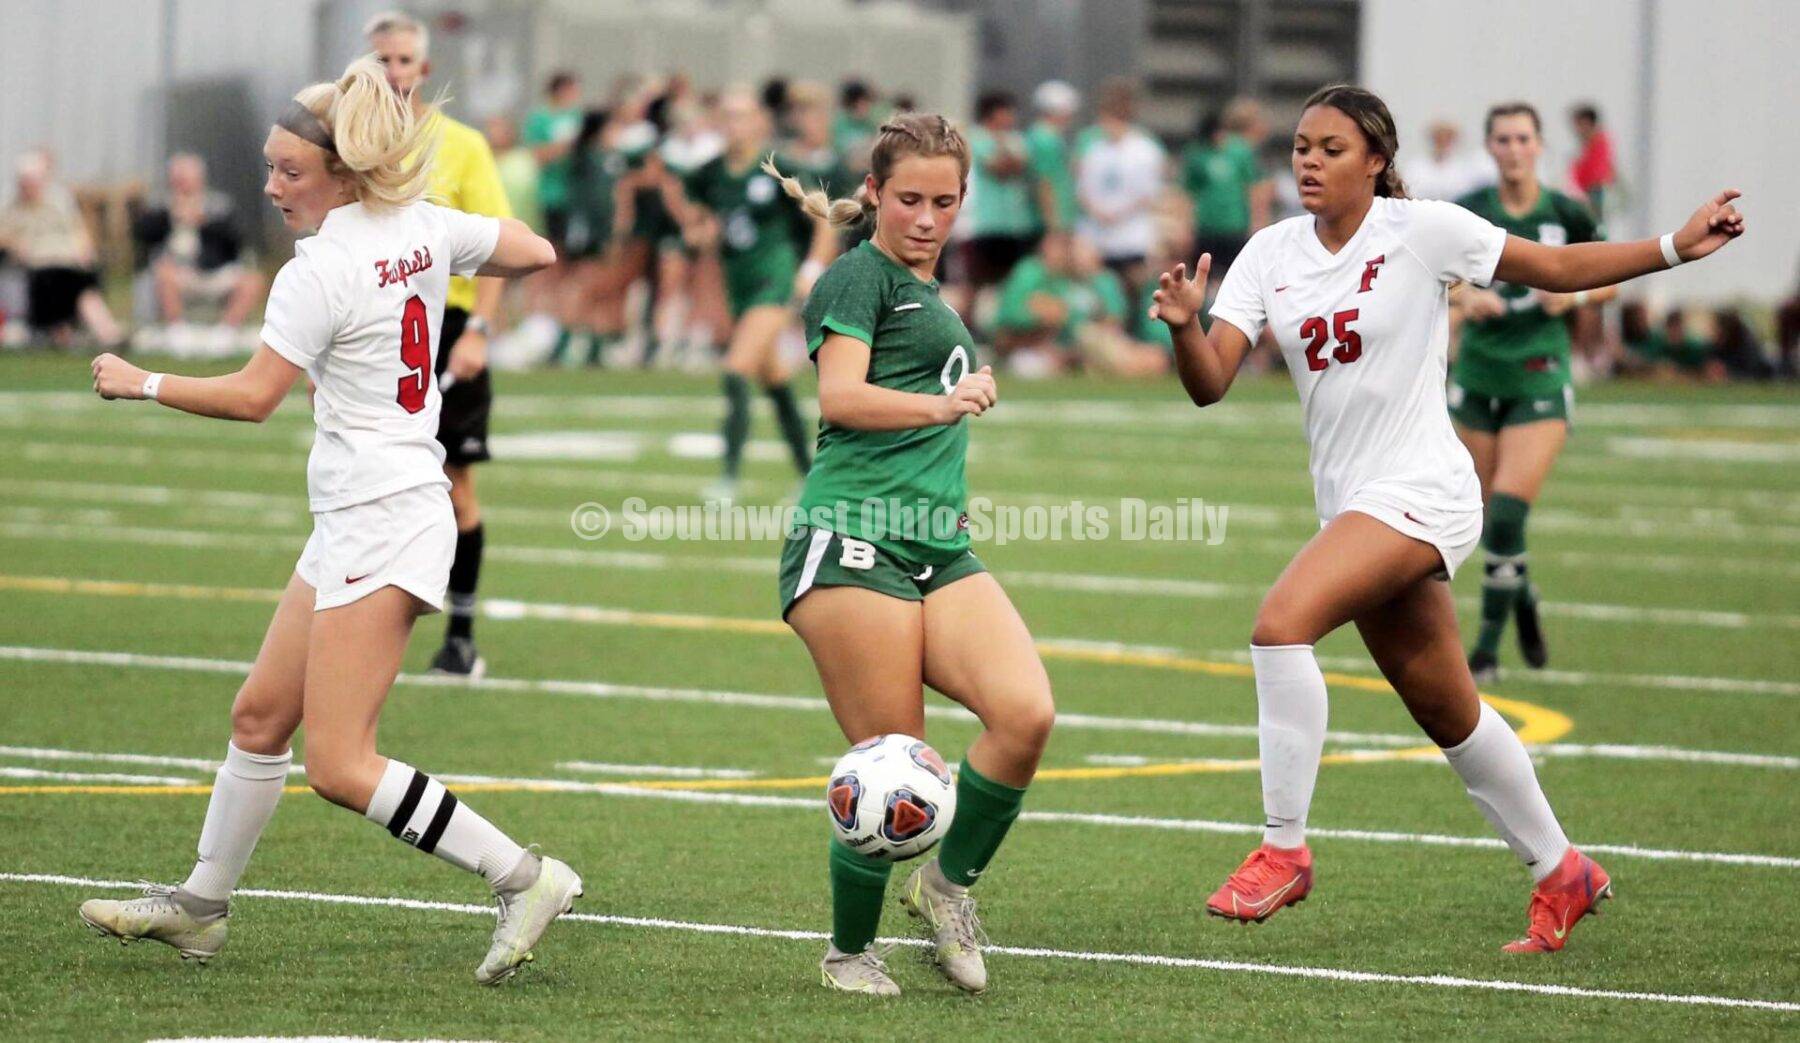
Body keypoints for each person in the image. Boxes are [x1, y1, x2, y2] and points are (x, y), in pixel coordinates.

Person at [1149, 83, 1742, 953]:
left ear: (1376, 161)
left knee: (1280, 626)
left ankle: (1284, 849)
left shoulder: (1422, 229)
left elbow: (1555, 269)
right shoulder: (1269, 251)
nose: (1309, 161)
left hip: (1425, 489)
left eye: (1332, 149)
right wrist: (1182, 327)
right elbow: (1210, 383)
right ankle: (1563, 869)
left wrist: (1673, 249)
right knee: (1448, 709)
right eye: (1302, 146)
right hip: (1355, 505)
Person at [80, 55, 578, 985]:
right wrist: (449, 245)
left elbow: (253, 396)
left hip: (382, 514)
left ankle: (525, 875)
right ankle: (201, 907)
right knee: (259, 715)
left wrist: (141, 380)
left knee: (342, 765)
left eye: (291, 171)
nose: (273, 186)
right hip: (369, 509)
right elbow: (536, 251)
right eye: (268, 167)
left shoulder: (322, 268)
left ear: (346, 174)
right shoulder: (420, 225)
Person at [768, 114, 1055, 997]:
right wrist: (945, 403)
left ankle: (945, 890)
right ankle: (848, 952)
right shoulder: (858, 276)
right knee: (894, 769)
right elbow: (841, 397)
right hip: (852, 537)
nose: (926, 218)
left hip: (937, 544)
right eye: (908, 199)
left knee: (1025, 714)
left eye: (944, 201)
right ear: (876, 193)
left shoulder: (929, 288)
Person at [366, 11, 515, 679]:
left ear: (424, 69)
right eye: (382, 60)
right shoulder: (354, 144)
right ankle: (366, 627)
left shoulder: (462, 146)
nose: (393, 72)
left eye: (404, 60)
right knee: (371, 484)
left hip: (446, 328)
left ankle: (460, 637)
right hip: (378, 328)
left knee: (455, 487)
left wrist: (479, 330)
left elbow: (499, 242)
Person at [1448, 102, 1613, 684]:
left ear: (1540, 145)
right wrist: (1465, 298)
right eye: (1503, 139)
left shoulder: (1567, 211)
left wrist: (1576, 296)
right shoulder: (1468, 210)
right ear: (1490, 147)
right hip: (1477, 376)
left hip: (1539, 376)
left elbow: (1610, 277)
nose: (1514, 149)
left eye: (1523, 138)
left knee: (1509, 511)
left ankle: (1486, 653)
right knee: (1486, 520)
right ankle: (1520, 593)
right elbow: (1432, 278)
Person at [658, 88, 831, 502]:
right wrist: (698, 233)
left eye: (742, 115)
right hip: (737, 283)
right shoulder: (709, 173)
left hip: (774, 278)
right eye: (727, 115)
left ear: (759, 122)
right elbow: (697, 220)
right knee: (774, 380)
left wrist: (811, 268)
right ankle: (812, 478)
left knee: (736, 368)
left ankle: (728, 480)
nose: (734, 124)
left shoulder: (779, 167)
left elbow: (824, 217)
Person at [134, 153, 265, 353]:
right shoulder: (161, 206)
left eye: (186, 179)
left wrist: (203, 222)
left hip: (213, 271)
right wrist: (171, 217)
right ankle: (178, 333)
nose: (183, 184)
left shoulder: (218, 205)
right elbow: (143, 235)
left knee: (252, 280)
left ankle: (225, 334)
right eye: (178, 179)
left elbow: (236, 241)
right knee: (164, 272)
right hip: (179, 274)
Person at [992, 229, 1166, 377]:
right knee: (1029, 366)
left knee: (1149, 357)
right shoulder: (1031, 271)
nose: (1067, 254)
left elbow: (1112, 320)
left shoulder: (1096, 279)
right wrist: (1041, 316)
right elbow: (1010, 318)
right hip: (1037, 347)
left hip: (1084, 345)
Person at [0, 151, 123, 347]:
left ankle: (108, 334)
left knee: (85, 285)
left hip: (68, 262)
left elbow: (78, 230)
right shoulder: (11, 207)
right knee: (58, 282)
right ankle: (70, 333)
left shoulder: (59, 200)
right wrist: (15, 245)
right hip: (38, 267)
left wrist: (85, 250)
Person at [1075, 78, 1164, 300]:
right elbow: (1082, 189)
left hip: (1132, 234)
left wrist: (1119, 213)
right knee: (1102, 288)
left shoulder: (1144, 150)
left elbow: (1149, 193)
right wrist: (1097, 211)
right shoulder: (1094, 150)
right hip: (1099, 234)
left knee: (1134, 284)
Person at [961, 91, 1041, 312]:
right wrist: (1006, 153)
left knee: (1014, 280)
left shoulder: (1016, 139)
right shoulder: (977, 138)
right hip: (988, 223)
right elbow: (998, 167)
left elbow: (1023, 164)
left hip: (1016, 224)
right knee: (978, 278)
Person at [1179, 98, 1272, 277]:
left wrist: (1258, 222)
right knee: (1206, 274)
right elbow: (1188, 194)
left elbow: (1253, 188)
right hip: (1206, 227)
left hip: (1235, 225)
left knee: (1235, 275)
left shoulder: (1239, 151)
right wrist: (1186, 228)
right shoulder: (1196, 154)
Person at [1024, 80, 1081, 235]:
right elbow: (1044, 182)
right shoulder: (1045, 139)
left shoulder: (1048, 137)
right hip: (1051, 220)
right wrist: (1052, 224)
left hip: (1057, 217)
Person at [1408, 119, 1492, 202]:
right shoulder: (1416, 167)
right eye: (1439, 138)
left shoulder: (1465, 168)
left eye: (1447, 138)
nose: (1443, 142)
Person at [1567, 103, 1617, 219]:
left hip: (1595, 191)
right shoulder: (1588, 145)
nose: (1577, 129)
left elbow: (1597, 173)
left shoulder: (1599, 144)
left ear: (1588, 123)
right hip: (1586, 192)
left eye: (1580, 124)